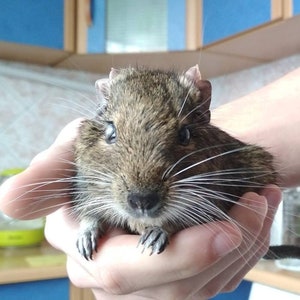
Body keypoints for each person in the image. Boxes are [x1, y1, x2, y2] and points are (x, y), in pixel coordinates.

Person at [0, 67, 299, 299]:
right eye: (113, 136)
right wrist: (90, 222)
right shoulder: (87, 148)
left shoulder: (213, 163)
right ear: (100, 117)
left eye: (182, 136)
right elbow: (83, 193)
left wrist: (168, 226)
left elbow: (218, 199)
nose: (141, 187)